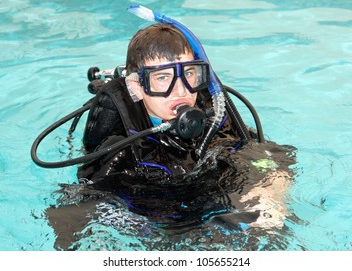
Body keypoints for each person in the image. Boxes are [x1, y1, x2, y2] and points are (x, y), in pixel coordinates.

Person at [75, 22, 296, 231]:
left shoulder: (213, 116)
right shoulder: (121, 150)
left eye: (189, 74)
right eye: (163, 78)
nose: (181, 91)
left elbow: (269, 155)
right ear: (136, 87)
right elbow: (80, 208)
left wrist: (272, 184)